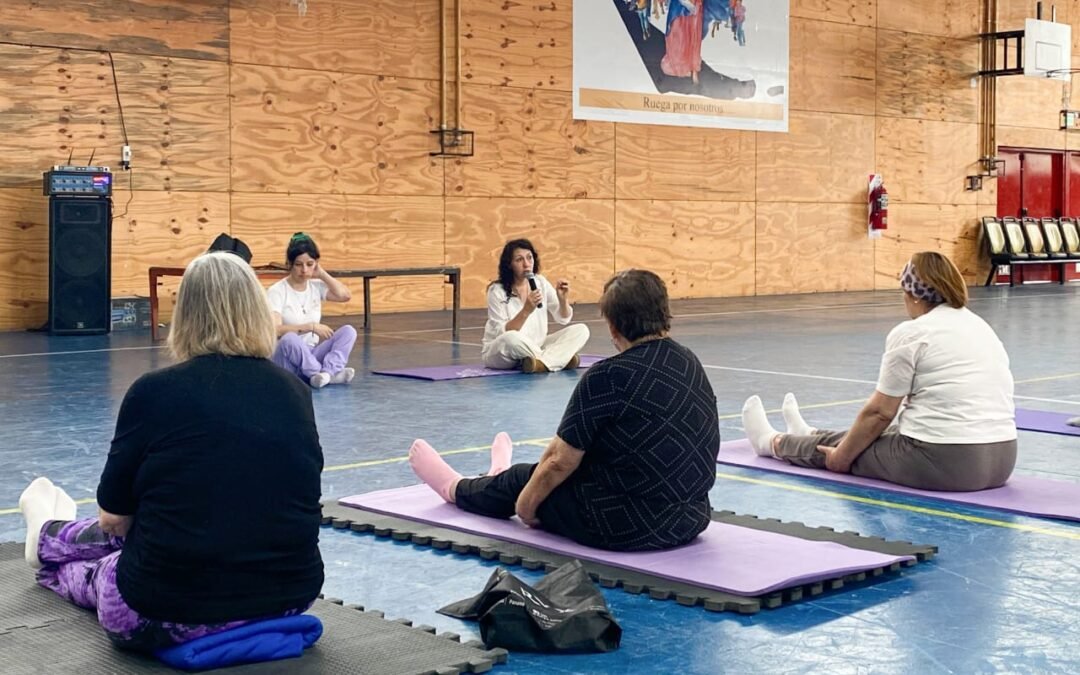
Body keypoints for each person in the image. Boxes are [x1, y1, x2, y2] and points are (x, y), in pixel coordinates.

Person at [17, 251, 324, 652]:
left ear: (186, 315)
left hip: (164, 612)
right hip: (287, 601)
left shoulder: (154, 391)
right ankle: (46, 535)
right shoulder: (296, 392)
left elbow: (113, 517)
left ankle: (46, 538)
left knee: (99, 569)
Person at [411, 269, 720, 551]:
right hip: (691, 517)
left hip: (625, 526)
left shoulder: (608, 375)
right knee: (558, 466)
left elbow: (559, 462)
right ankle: (495, 478)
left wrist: (526, 509)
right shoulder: (689, 360)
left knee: (524, 478)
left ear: (613, 327)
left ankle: (454, 488)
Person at [742, 252, 1017, 492]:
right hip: (1003, 459)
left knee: (851, 446)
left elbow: (880, 413)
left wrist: (840, 459)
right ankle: (807, 431)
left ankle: (771, 444)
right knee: (878, 436)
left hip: (946, 464)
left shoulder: (912, 333)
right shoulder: (980, 325)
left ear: (912, 294)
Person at [481, 238, 589, 373]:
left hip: (536, 346)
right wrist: (526, 310)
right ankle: (558, 360)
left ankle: (539, 363)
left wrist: (563, 300)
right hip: (503, 350)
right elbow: (503, 333)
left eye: (529, 258)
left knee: (581, 330)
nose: (526, 264)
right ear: (509, 265)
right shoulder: (496, 291)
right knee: (511, 338)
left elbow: (563, 318)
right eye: (519, 260)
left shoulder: (540, 282)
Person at [268, 232, 357, 388]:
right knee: (290, 338)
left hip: (311, 353)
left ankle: (327, 373)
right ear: (289, 264)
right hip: (287, 358)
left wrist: (322, 274)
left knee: (348, 331)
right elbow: (275, 330)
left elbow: (345, 295)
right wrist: (310, 327)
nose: (304, 270)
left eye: (309, 264)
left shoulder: (315, 286)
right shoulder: (277, 291)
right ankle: (319, 374)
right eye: (298, 264)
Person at [661, 0, 704, 85]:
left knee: (693, 37)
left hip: (695, 6)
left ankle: (693, 68)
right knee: (678, 35)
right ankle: (681, 66)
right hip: (679, 7)